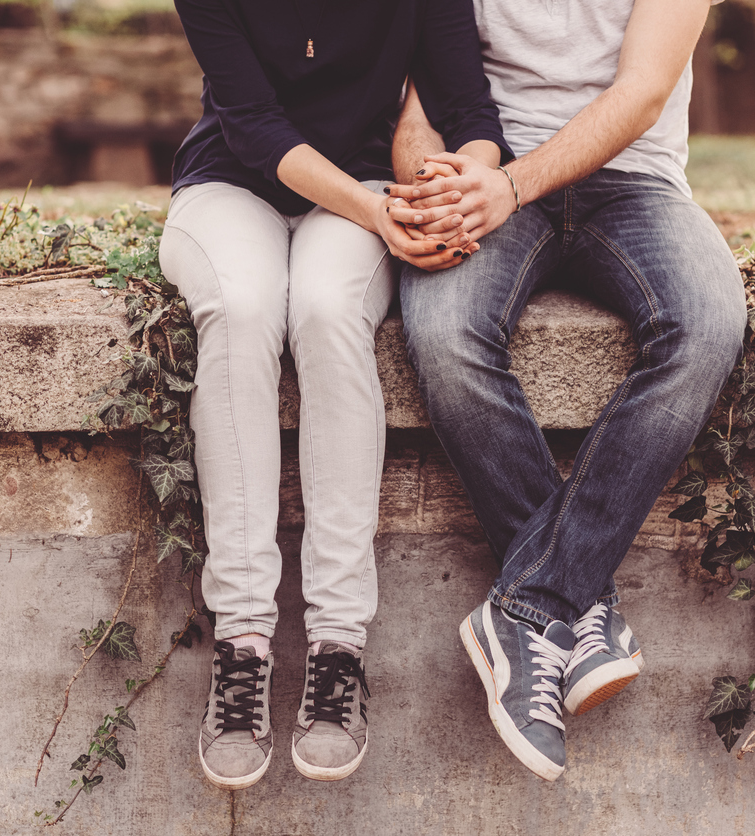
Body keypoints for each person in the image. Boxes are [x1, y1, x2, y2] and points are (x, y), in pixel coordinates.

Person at [386, 0, 747, 781]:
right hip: (488, 172)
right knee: (446, 335)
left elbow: (642, 93)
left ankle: (528, 607)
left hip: (634, 181)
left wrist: (512, 186)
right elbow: (419, 91)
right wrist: (431, 184)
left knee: (708, 324)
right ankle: (580, 601)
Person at [160, 0, 508, 789]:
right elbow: (253, 126)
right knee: (244, 309)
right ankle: (243, 643)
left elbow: (470, 109)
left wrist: (465, 179)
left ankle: (339, 646)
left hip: (365, 189)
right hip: (230, 187)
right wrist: (381, 215)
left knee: (324, 311)